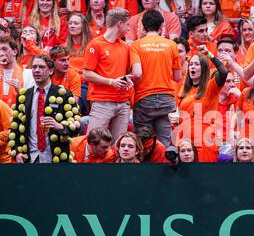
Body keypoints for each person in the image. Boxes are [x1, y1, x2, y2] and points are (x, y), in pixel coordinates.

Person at [8, 54, 80, 163]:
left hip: (56, 157)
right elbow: (15, 127)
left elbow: (75, 128)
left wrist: (60, 126)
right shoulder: (24, 96)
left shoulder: (64, 95)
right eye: (34, 67)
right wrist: (17, 152)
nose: (37, 70)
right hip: (30, 157)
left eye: (41, 67)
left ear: (51, 71)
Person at [131, 10, 181, 147]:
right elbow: (177, 77)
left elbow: (137, 74)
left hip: (144, 99)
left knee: (142, 143)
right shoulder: (172, 45)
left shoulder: (136, 45)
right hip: (167, 99)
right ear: (161, 27)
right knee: (164, 143)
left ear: (143, 26)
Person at [83, 8, 133, 143]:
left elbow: (127, 71)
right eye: (127, 24)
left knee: (118, 146)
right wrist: (111, 82)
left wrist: (128, 78)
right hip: (102, 102)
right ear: (119, 24)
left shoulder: (125, 46)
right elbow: (86, 74)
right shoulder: (95, 45)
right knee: (93, 143)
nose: (128, 28)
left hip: (123, 102)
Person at [176, 45, 228, 162]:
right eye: (191, 65)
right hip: (186, 145)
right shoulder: (183, 90)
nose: (192, 67)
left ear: (204, 68)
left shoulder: (210, 87)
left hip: (205, 144)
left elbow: (224, 72)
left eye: (197, 64)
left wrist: (209, 54)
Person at [0, 37, 33, 107]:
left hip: (18, 116)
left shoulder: (29, 74)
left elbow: (33, 104)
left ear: (15, 51)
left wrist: (20, 91)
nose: (1, 53)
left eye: (4, 49)